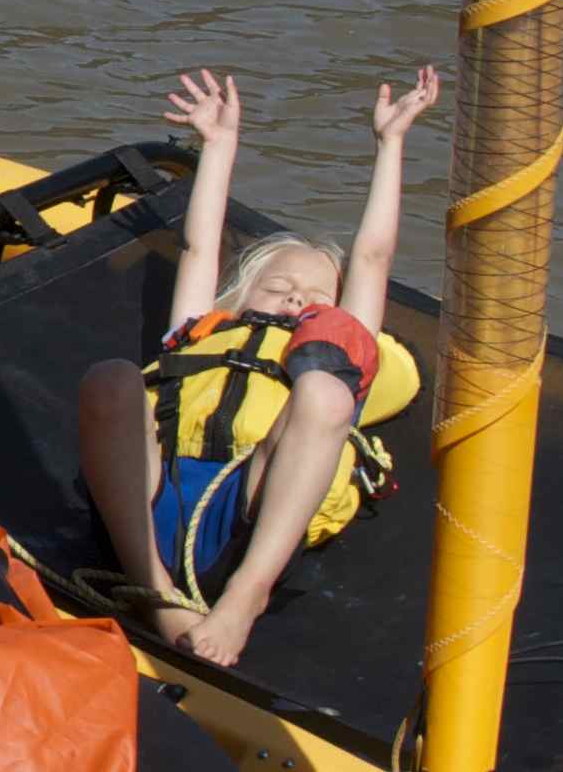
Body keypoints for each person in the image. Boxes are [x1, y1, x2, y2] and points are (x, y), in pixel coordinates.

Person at [74, 64, 442, 670]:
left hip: (252, 505)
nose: (296, 299)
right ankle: (155, 592)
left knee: (325, 395)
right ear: (242, 297)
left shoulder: (335, 354)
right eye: (279, 287)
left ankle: (247, 594)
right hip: (154, 496)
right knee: (111, 376)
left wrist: (391, 143)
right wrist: (219, 144)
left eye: (314, 298)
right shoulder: (202, 328)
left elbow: (373, 257)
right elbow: (199, 245)